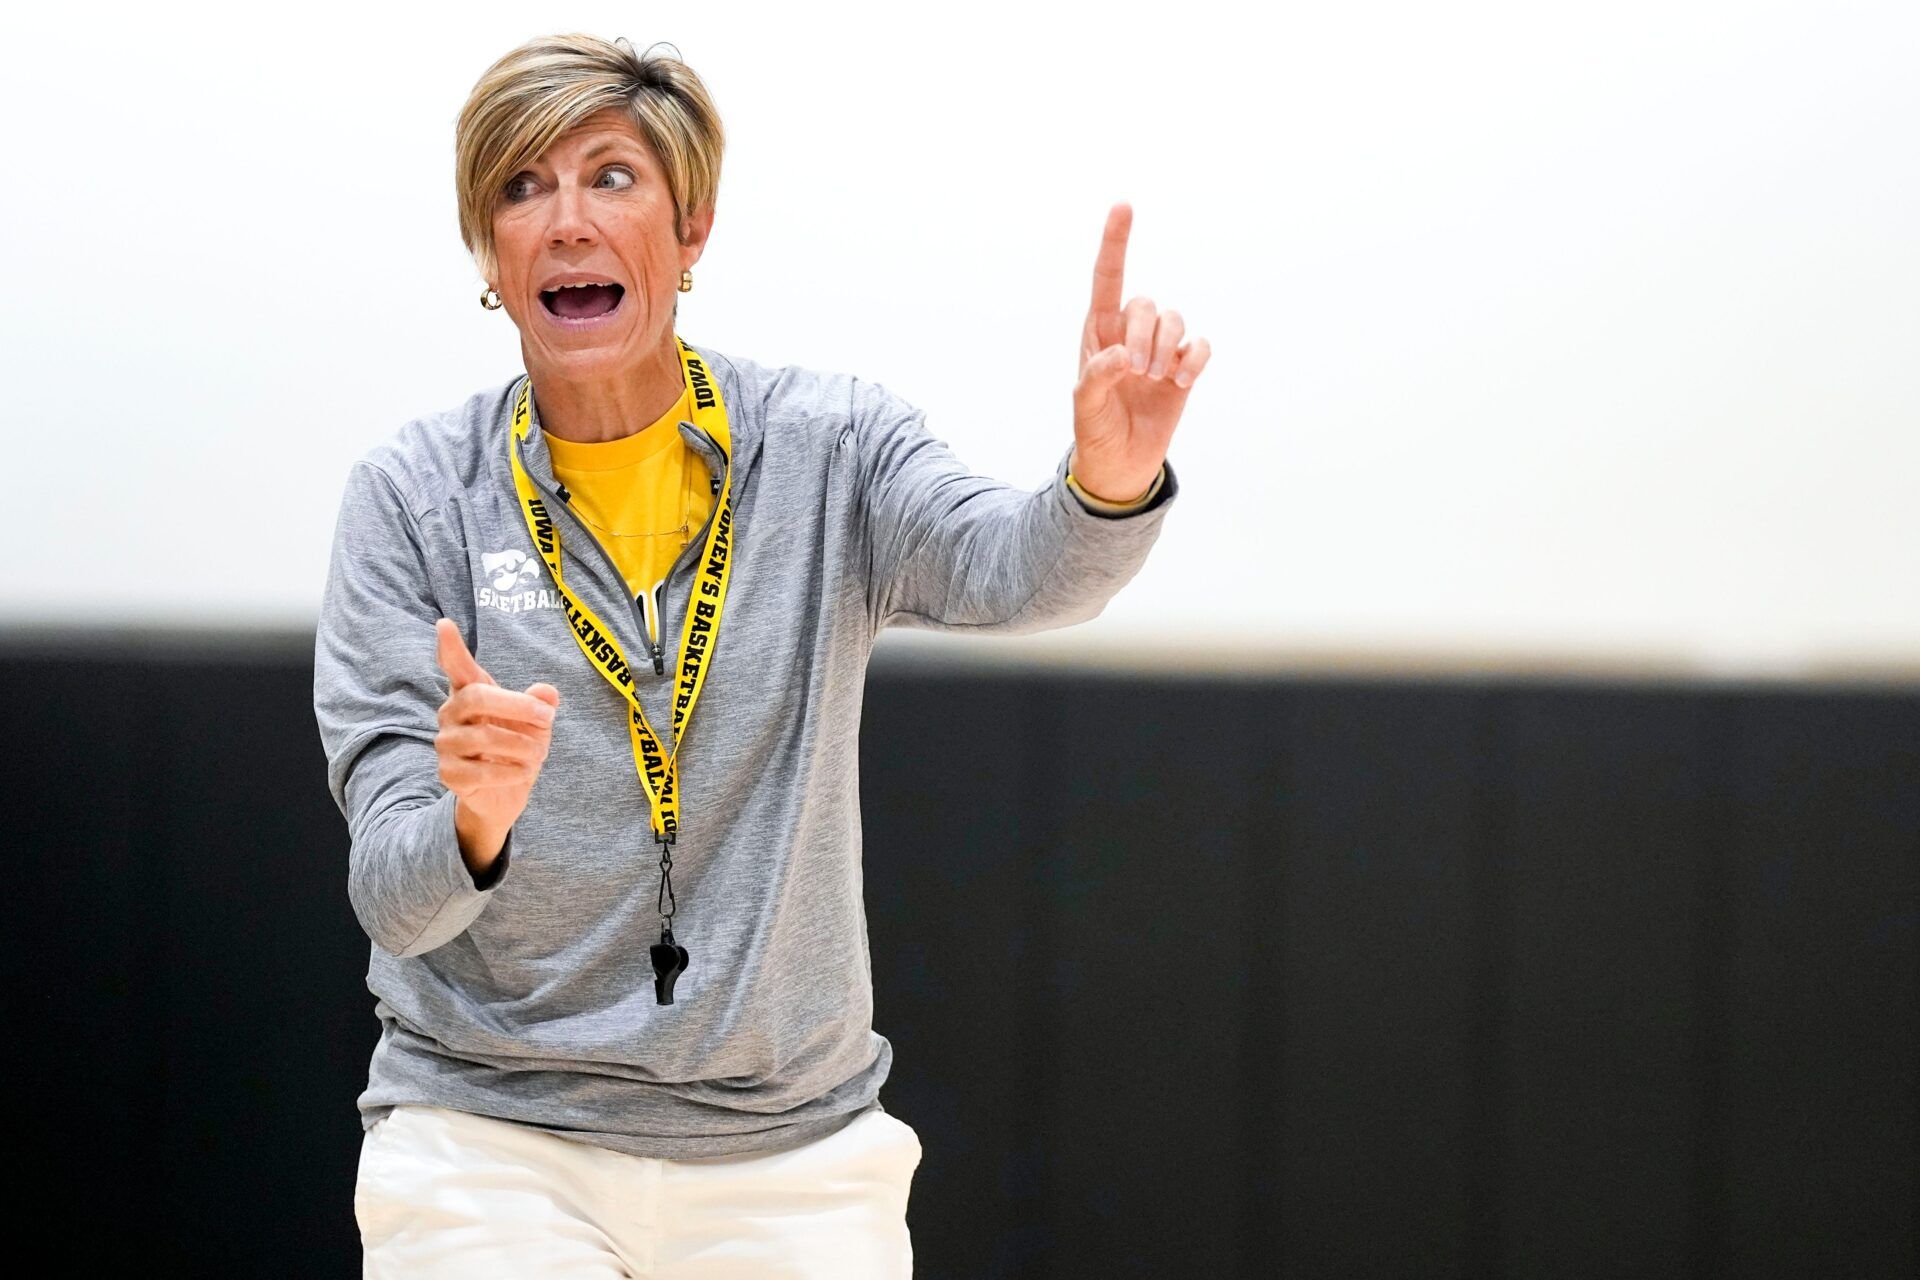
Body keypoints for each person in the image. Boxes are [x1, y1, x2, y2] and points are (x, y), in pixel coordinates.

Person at [312, 31, 1207, 1278]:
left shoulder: (827, 446)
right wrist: (472, 818)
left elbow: (1018, 568)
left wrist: (1108, 482)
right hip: (491, 1131)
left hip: (788, 1151)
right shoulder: (415, 500)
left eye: (610, 176)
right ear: (489, 256)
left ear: (692, 232)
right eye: (522, 187)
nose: (566, 220)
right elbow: (392, 898)